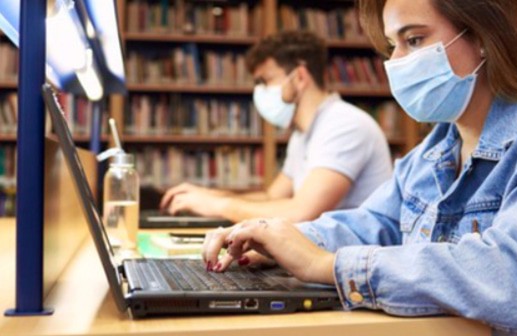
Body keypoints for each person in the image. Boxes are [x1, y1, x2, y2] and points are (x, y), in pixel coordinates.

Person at [201, 0, 517, 334]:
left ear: (483, 36)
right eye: (392, 47)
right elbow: (371, 226)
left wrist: (327, 266)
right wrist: (274, 240)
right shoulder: (436, 148)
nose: (397, 62)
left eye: (415, 40)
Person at [160, 31, 393, 223]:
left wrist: (218, 205)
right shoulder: (304, 133)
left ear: (300, 77)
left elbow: (301, 212)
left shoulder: (344, 125)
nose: (259, 91)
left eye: (265, 81)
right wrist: (209, 195)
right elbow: (272, 197)